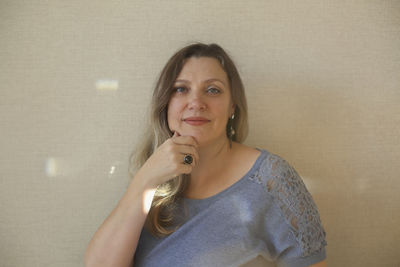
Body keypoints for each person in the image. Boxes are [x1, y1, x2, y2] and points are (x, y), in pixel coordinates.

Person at [85, 43, 327, 267]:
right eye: (181, 89)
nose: (196, 102)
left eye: (212, 90)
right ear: (166, 104)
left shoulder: (272, 179)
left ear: (233, 105)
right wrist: (145, 181)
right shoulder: (152, 177)